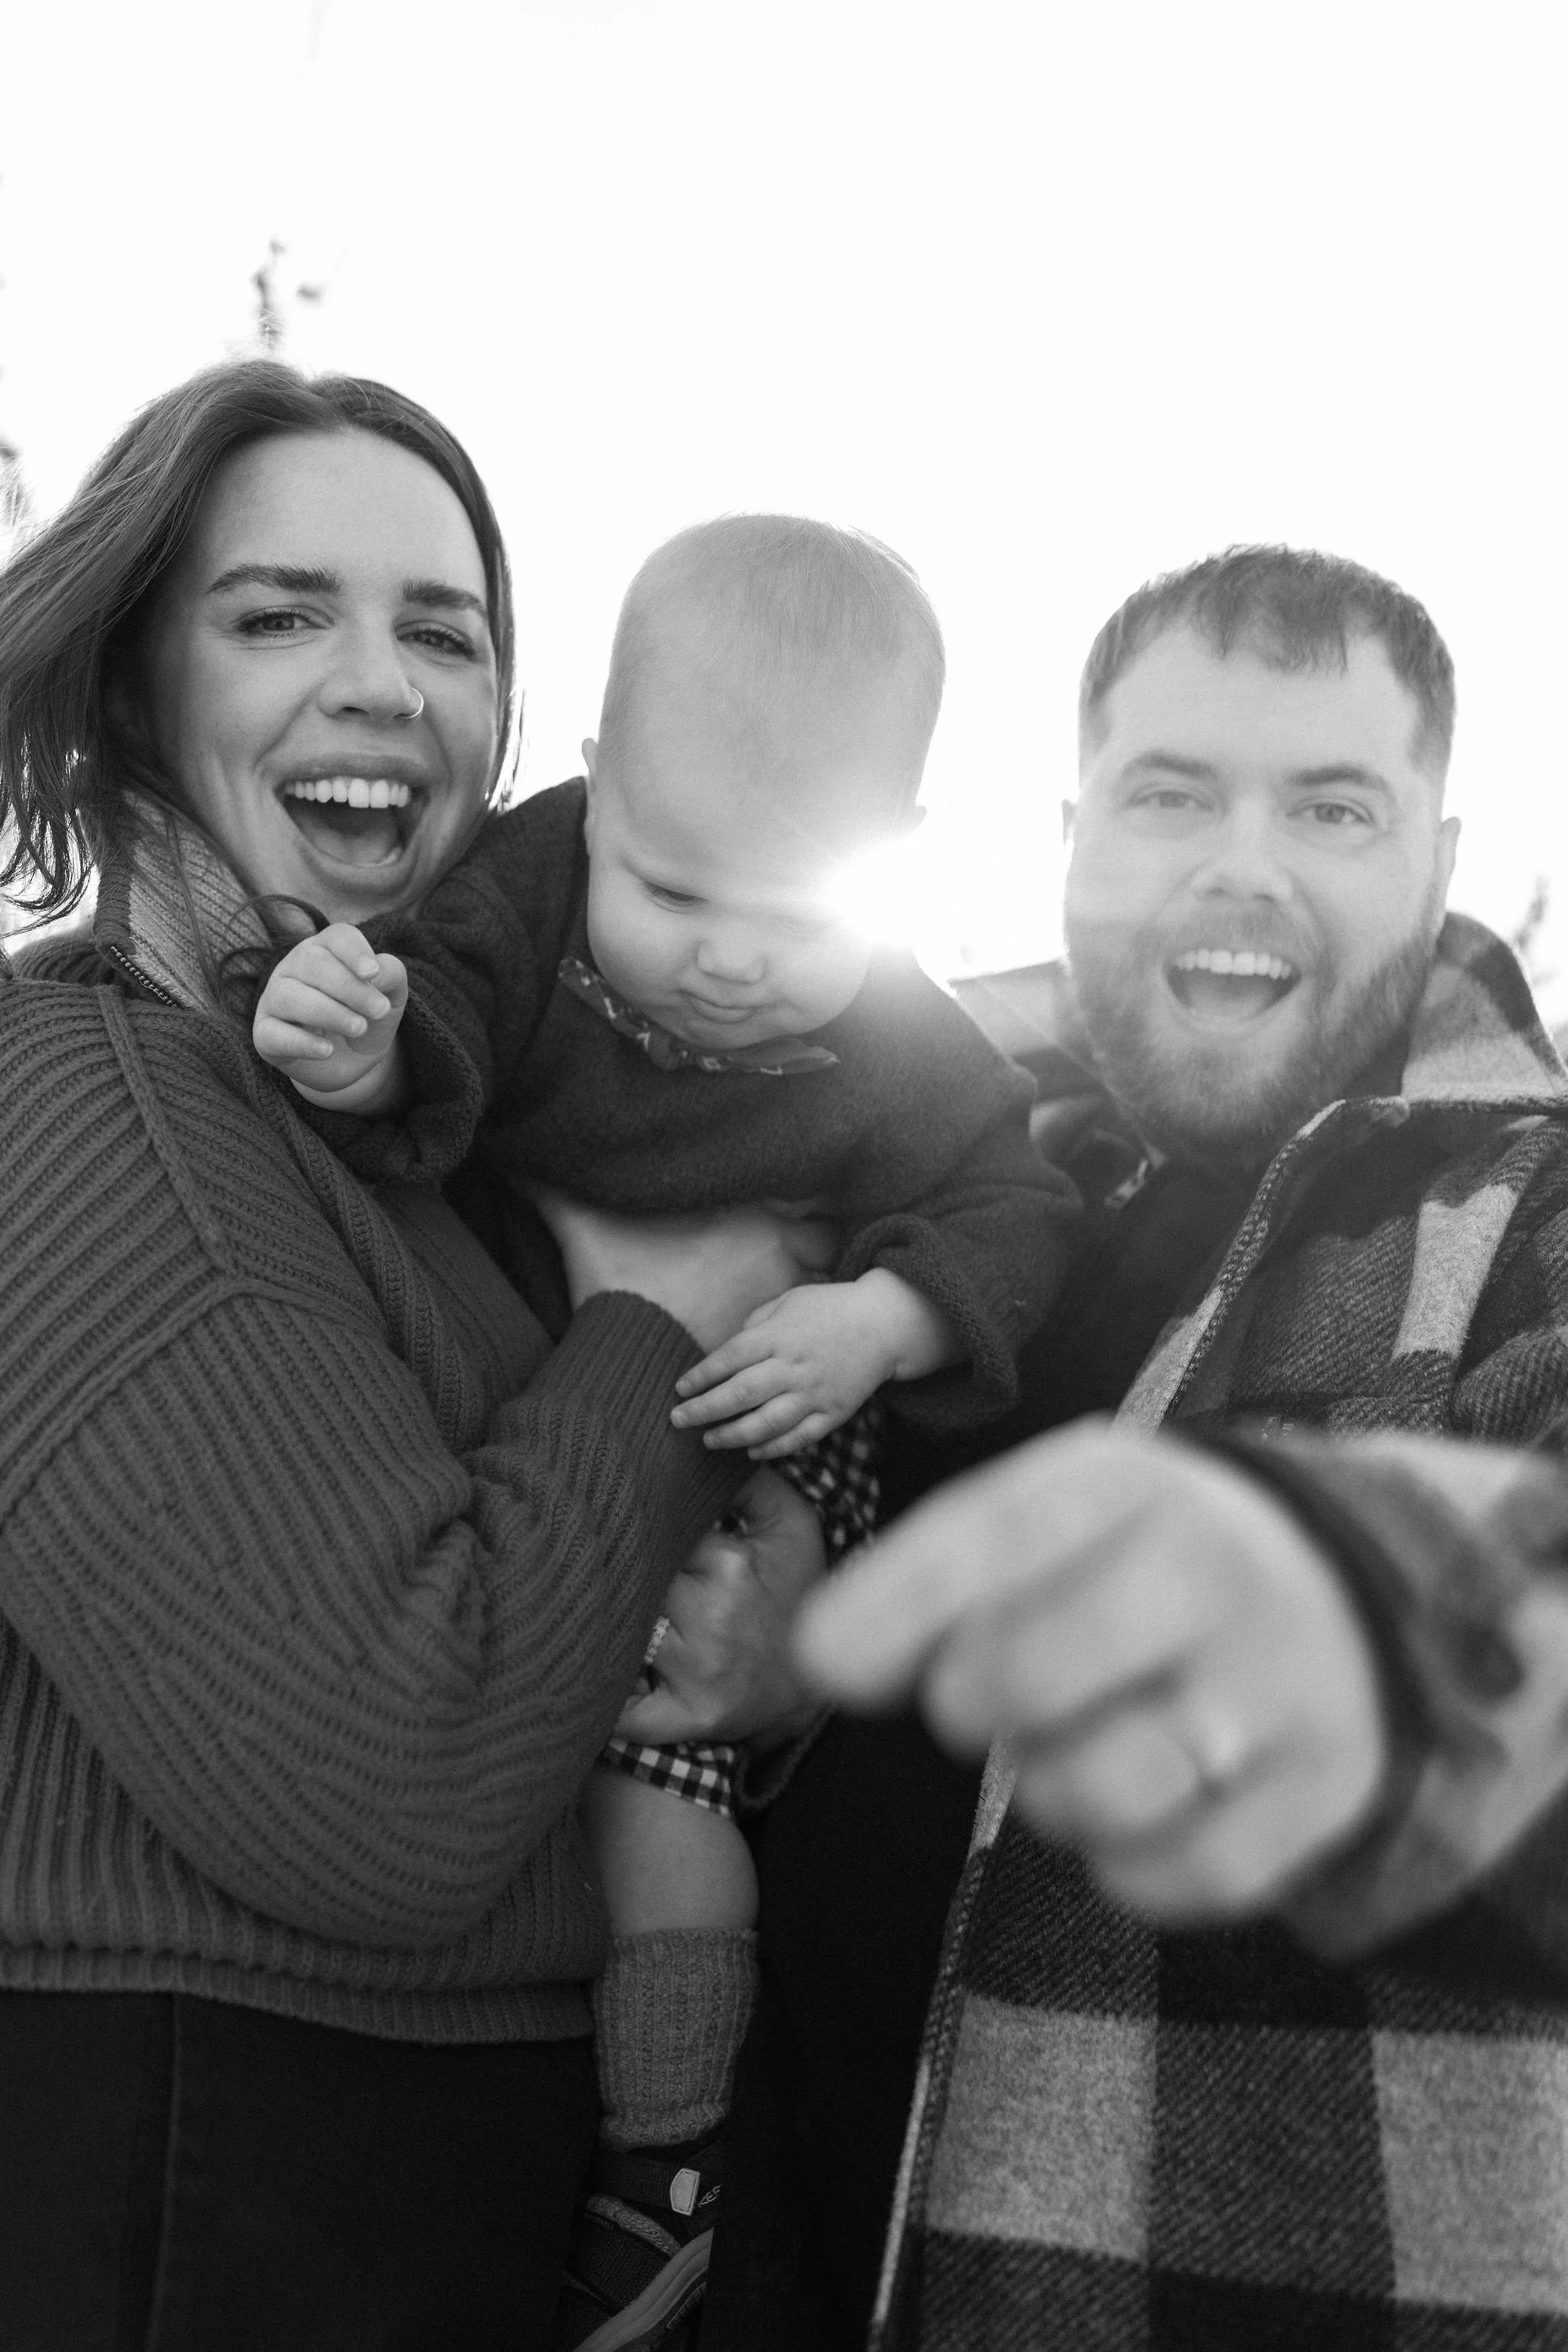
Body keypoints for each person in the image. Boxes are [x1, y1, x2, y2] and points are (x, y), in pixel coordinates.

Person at [0, 357, 834, 2352]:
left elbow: (560, 1632)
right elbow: (393, 1778)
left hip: (424, 2153)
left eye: (442, 632)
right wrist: (665, 1316)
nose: (383, 681)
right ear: (127, 688)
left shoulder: (398, 1158)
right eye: (280, 613)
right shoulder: (98, 1092)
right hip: (210, 2147)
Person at [708, 544, 1568, 2352]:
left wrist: (1359, 1619)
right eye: (1172, 795)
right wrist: (790, 1673)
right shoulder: (959, 1204)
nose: (1238, 864)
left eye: (1332, 807)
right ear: (1076, 836)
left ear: (1439, 862)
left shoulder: (1529, 1221)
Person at [250, 514, 1077, 2349]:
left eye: (793, 921)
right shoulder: (529, 883)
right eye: (676, 895)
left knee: (655, 1758)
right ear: (595, 785)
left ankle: (665, 2153)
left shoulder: (900, 1031)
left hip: (766, 1403)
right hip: (533, 1376)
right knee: (483, 1691)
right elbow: (439, 1004)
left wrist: (886, 1315)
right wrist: (362, 1041)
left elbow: (1011, 1205)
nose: (722, 966)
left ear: (896, 862)